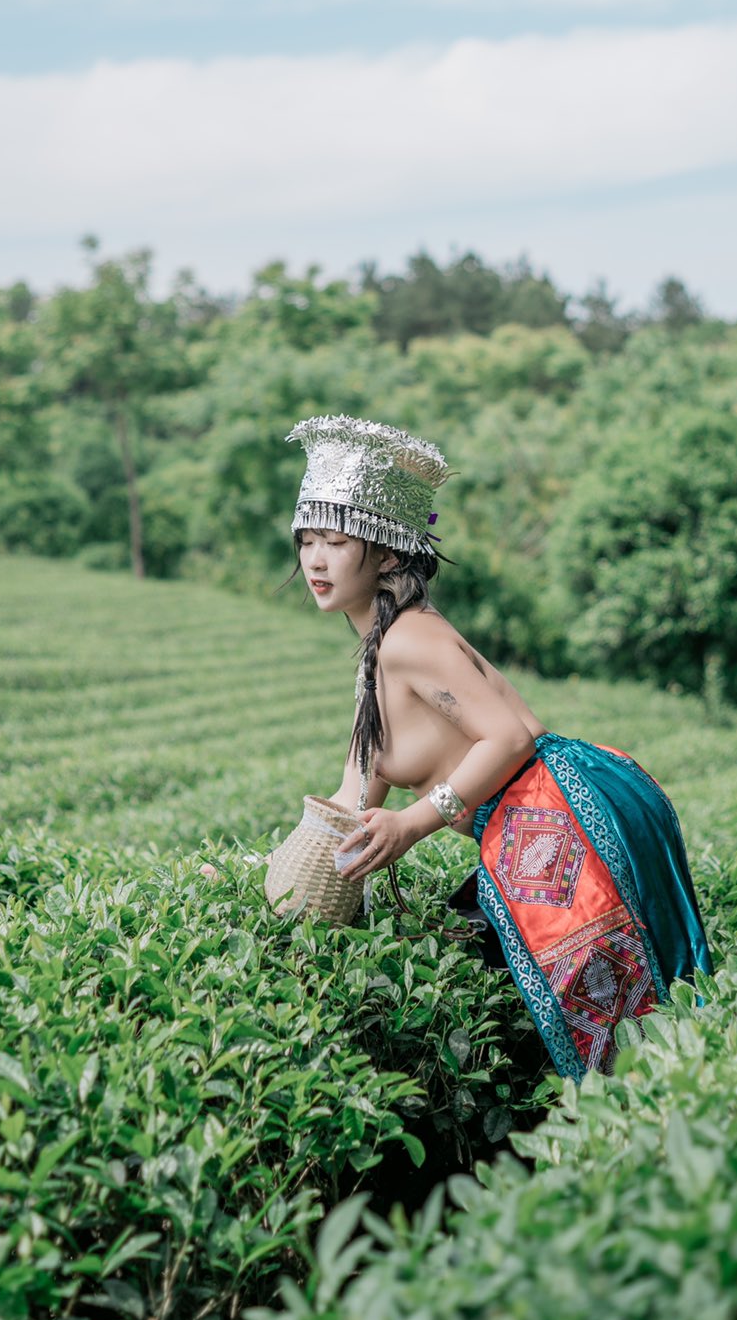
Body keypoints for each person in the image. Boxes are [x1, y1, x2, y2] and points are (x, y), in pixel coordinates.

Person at [283, 413, 713, 1082]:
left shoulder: (408, 640)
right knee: (632, 1023)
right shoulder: (378, 655)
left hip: (554, 811)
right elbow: (351, 800)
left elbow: (512, 735)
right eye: (307, 540)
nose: (315, 559)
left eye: (336, 542)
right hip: (541, 810)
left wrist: (413, 822)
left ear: (388, 555)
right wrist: (263, 875)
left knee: (625, 1037)